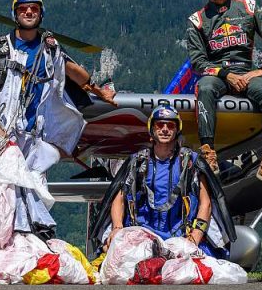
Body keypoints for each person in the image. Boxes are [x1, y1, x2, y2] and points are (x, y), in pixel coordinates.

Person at [0, 0, 115, 238]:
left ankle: (33, 240)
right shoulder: (0, 49)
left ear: (41, 14)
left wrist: (99, 91)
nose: (29, 12)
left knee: (33, 187)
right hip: (4, 136)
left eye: (34, 8)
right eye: (23, 8)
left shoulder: (50, 49)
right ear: (15, 14)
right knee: (5, 191)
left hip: (34, 137)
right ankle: (3, 242)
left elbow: (78, 75)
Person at [90, 106, 235, 258]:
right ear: (152, 130)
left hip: (181, 236)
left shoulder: (191, 163)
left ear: (177, 130)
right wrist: (117, 227)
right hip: (142, 235)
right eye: (159, 125)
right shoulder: (137, 162)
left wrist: (195, 237)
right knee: (110, 253)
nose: (165, 129)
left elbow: (206, 203)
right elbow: (119, 197)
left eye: (170, 125)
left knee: (206, 264)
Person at [186, 0, 262, 187]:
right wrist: (226, 75)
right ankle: (209, 153)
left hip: (248, 73)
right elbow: (198, 62)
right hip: (217, 73)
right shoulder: (196, 20)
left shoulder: (249, 8)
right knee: (206, 88)